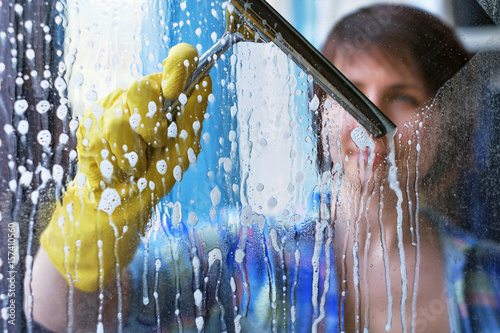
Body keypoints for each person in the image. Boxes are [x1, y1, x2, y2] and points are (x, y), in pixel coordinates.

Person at [25, 3, 500, 333]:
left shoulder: (491, 278)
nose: (367, 118)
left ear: (445, 121)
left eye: (403, 97)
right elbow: (60, 315)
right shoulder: (242, 256)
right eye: (347, 89)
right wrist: (95, 206)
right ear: (320, 111)